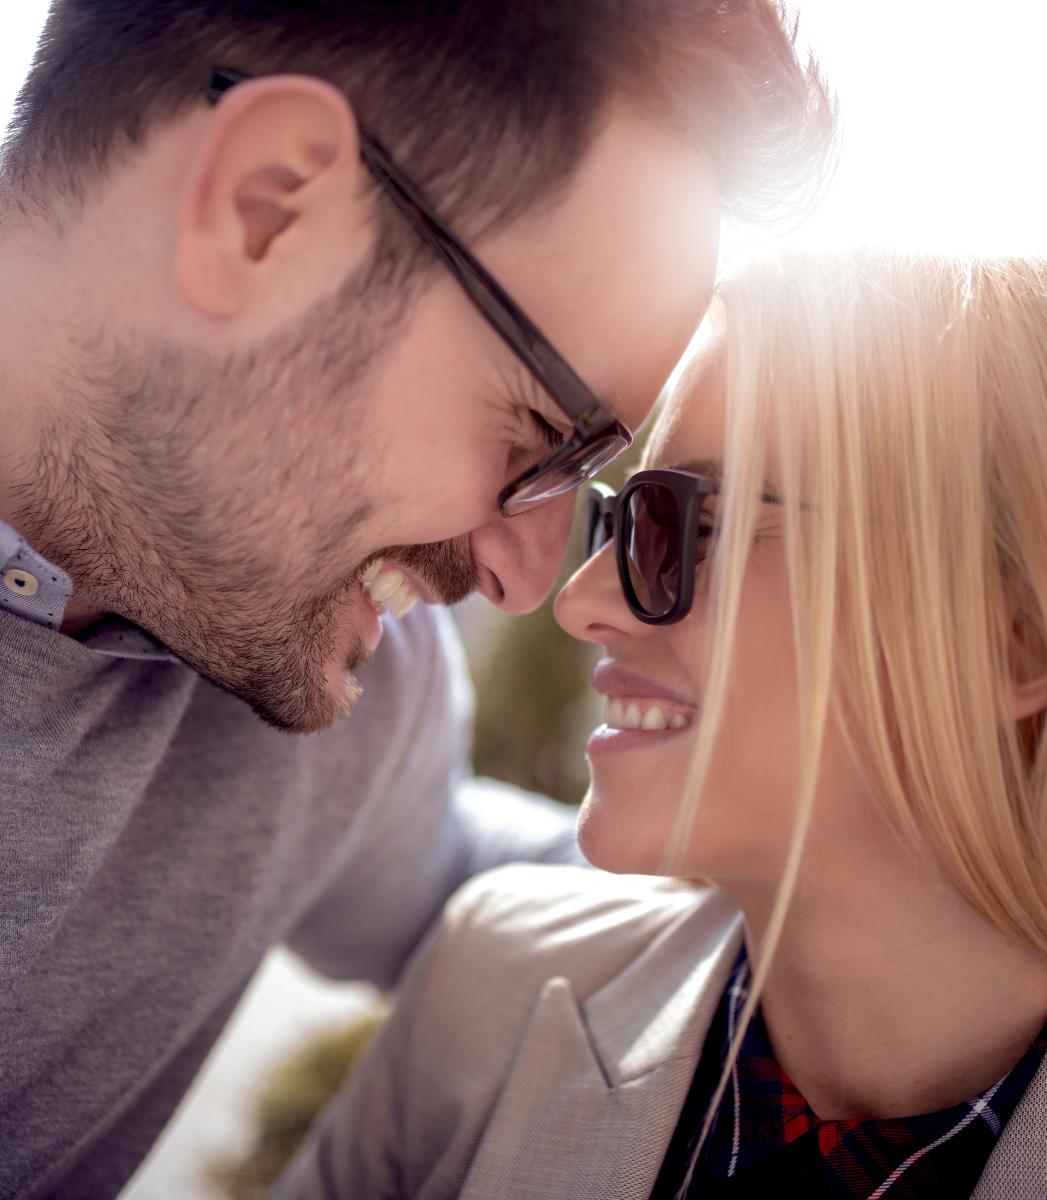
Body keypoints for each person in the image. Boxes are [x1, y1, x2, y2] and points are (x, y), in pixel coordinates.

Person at [0, 2, 832, 1196]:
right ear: (264, 209)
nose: (527, 580)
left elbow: (456, 881)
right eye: (539, 434)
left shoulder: (353, 679)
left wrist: (881, 862)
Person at [273, 248, 1047, 1200]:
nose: (581, 603)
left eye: (695, 524)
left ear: (1010, 643)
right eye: (631, 523)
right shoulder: (489, 985)